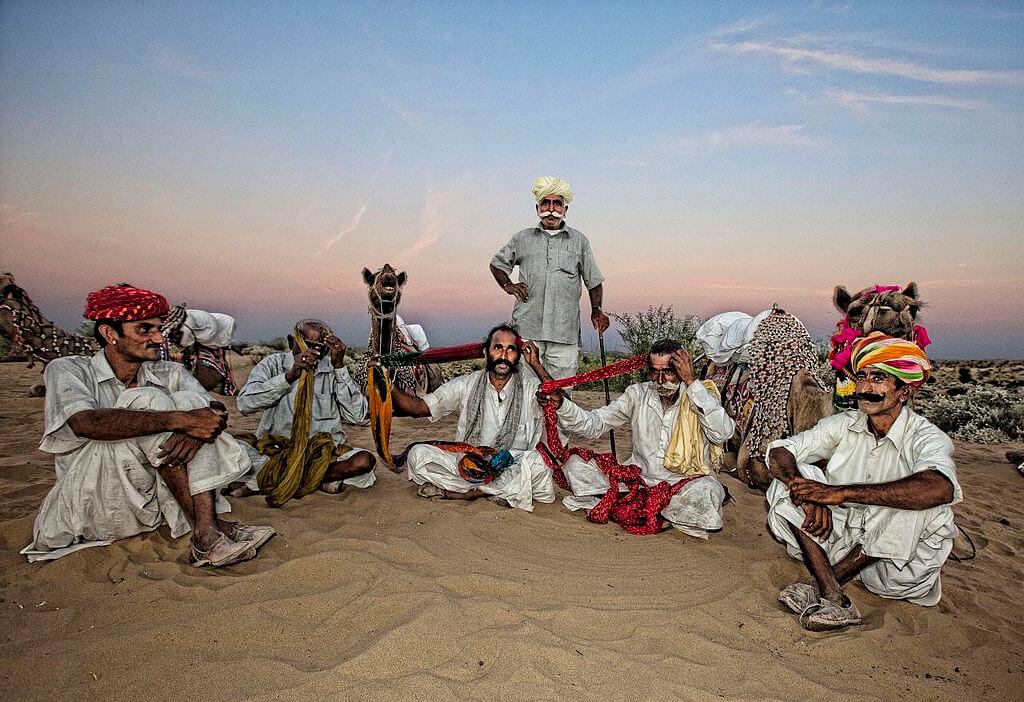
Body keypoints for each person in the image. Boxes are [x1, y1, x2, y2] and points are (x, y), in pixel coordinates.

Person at [21, 284, 273, 568]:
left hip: (156, 506)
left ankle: (206, 532)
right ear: (110, 334)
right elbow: (85, 423)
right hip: (95, 504)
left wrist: (193, 431)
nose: (158, 338)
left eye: (158, 329)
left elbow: (212, 412)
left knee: (190, 400)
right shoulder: (68, 369)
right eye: (145, 330)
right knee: (150, 400)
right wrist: (182, 421)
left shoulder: (169, 371)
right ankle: (208, 530)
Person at [766, 332, 961, 631]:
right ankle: (833, 593)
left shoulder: (926, 437)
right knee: (794, 478)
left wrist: (838, 493)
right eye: (861, 377)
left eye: (878, 378)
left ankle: (820, 585)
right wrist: (806, 494)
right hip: (841, 544)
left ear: (903, 392)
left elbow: (940, 487)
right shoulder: (845, 424)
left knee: (912, 496)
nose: (865, 387)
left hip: (896, 568)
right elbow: (780, 450)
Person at [539, 338, 735, 538]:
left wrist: (692, 384)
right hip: (638, 481)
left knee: (708, 492)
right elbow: (594, 424)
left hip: (684, 484)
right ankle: (659, 511)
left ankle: (646, 507)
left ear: (682, 370)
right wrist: (562, 405)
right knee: (575, 465)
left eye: (668, 372)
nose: (661, 380)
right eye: (654, 372)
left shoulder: (702, 394)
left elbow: (723, 433)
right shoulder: (637, 394)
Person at [385, 324, 555, 511]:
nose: (504, 355)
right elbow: (420, 408)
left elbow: (559, 404)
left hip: (513, 465)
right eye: (498, 347)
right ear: (486, 352)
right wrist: (388, 385)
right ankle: (496, 491)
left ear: (518, 355)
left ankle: (462, 494)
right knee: (417, 455)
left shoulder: (531, 387)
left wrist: (536, 365)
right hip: (469, 467)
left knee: (538, 463)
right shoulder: (467, 384)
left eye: (511, 349)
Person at [233, 319, 376, 498]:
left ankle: (282, 479)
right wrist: (289, 377)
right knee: (233, 451)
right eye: (309, 345)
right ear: (292, 342)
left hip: (323, 455)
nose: (315, 352)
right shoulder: (273, 364)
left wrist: (339, 367)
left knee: (364, 461)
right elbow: (245, 404)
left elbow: (357, 416)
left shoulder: (332, 370)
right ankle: (317, 479)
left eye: (321, 347)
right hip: (277, 452)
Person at [489, 176, 609, 381]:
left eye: (557, 203)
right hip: (527, 329)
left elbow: (594, 281)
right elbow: (497, 264)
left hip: (564, 332)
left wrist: (597, 309)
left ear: (565, 210)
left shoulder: (579, 241)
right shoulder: (522, 238)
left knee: (561, 389)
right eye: (545, 203)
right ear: (537, 208)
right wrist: (508, 284)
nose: (551, 209)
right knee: (524, 387)